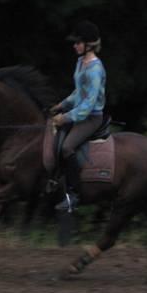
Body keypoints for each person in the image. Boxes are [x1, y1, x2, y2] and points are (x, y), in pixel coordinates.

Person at [50, 20, 106, 212]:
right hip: (78, 113)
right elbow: (78, 93)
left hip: (91, 118)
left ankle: (73, 195)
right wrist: (62, 105)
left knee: (67, 147)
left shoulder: (95, 70)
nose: (74, 46)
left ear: (89, 45)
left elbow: (88, 105)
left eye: (78, 43)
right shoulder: (80, 62)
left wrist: (65, 117)